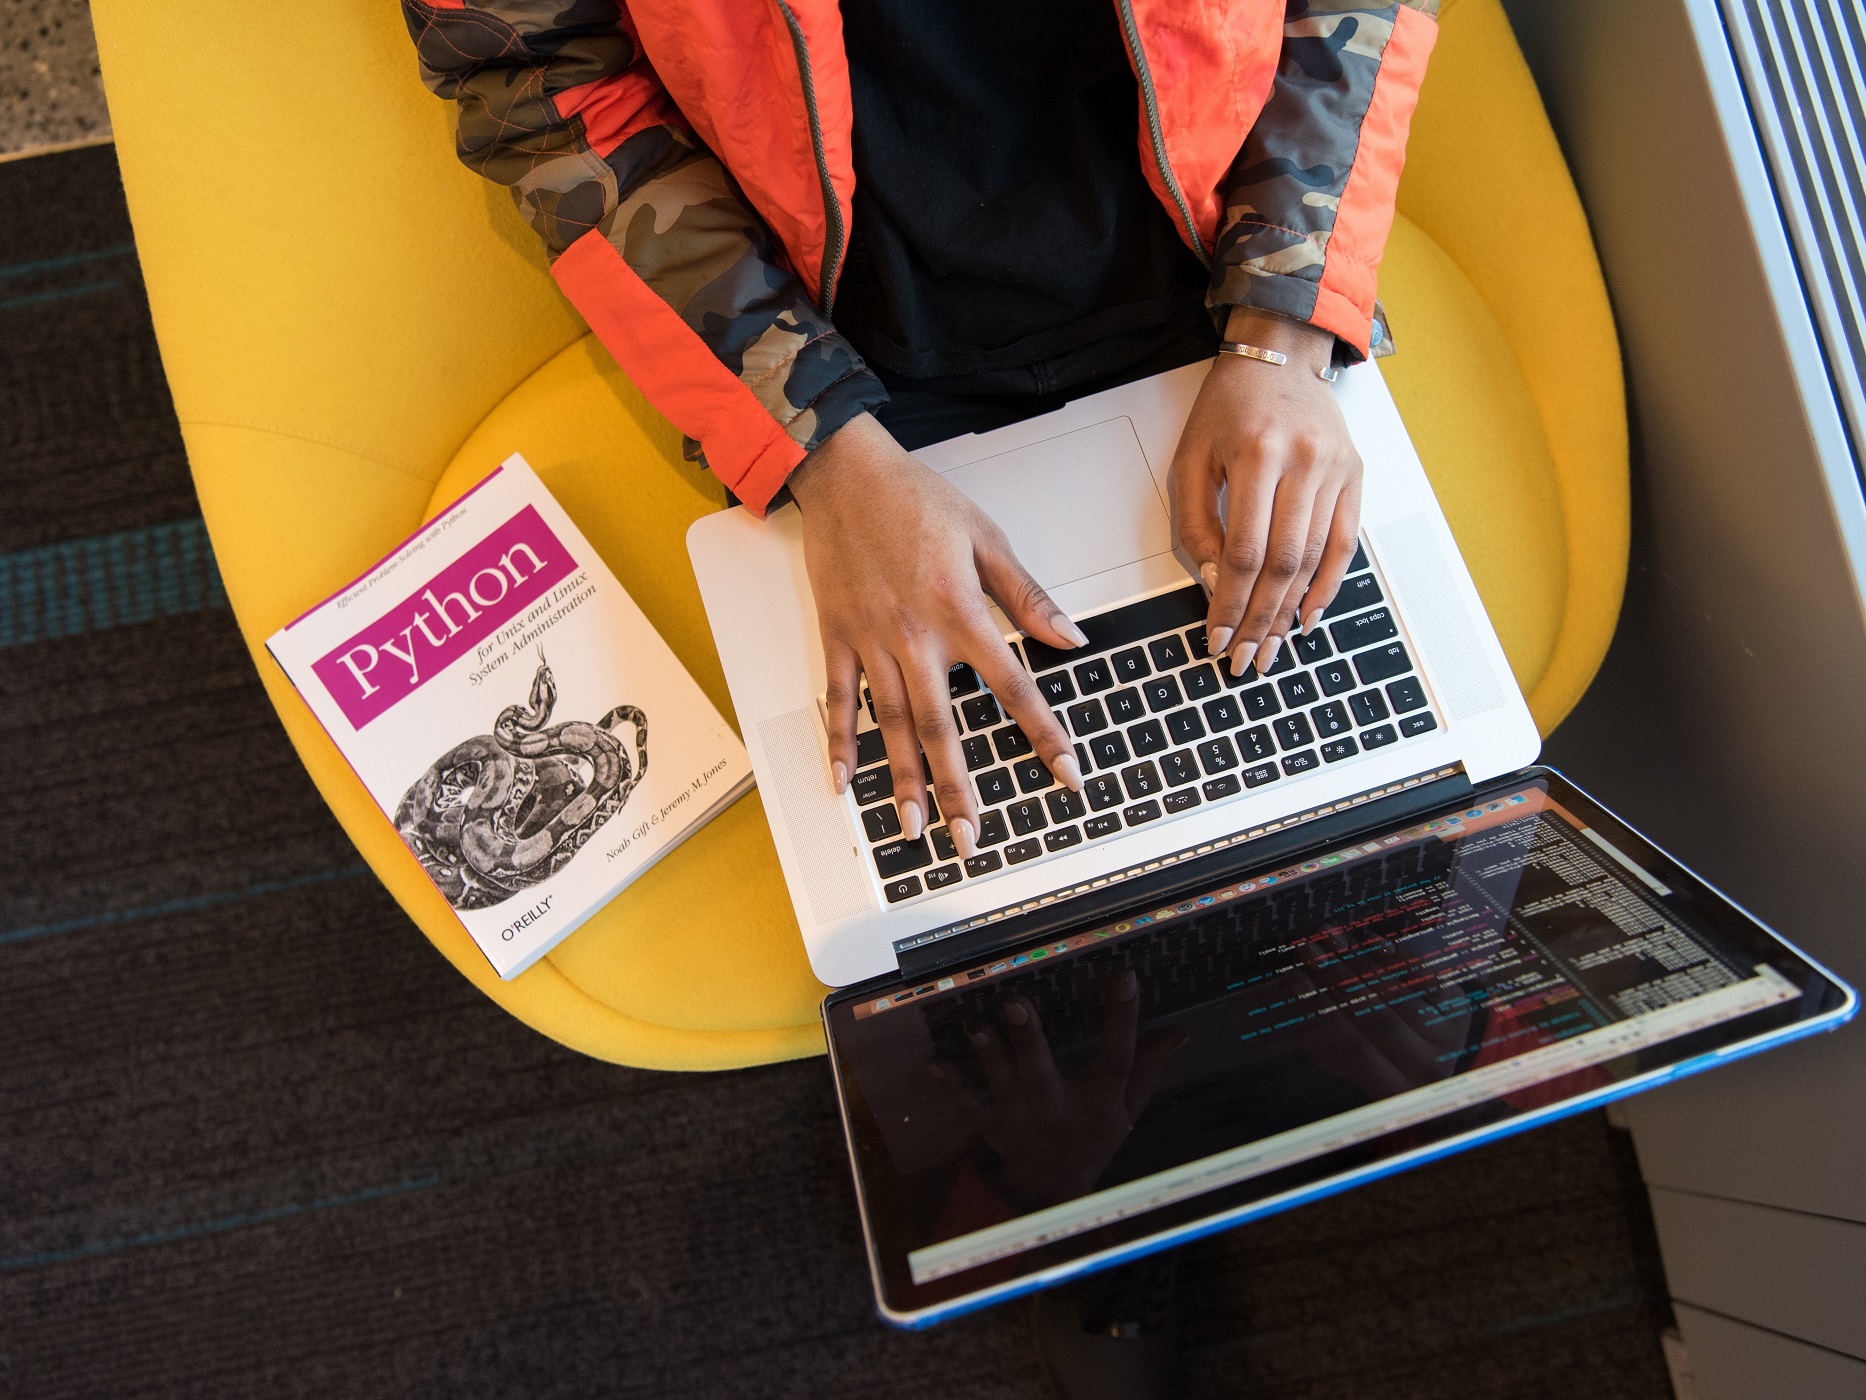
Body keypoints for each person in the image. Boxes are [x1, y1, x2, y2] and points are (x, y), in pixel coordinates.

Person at [404, 1, 1438, 1390]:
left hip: (1217, 277)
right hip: (850, 355)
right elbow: (538, 78)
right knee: (971, 863)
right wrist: (821, 446)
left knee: (1382, 788)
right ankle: (1100, 1207)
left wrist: (1284, 329)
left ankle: (1141, 1158)